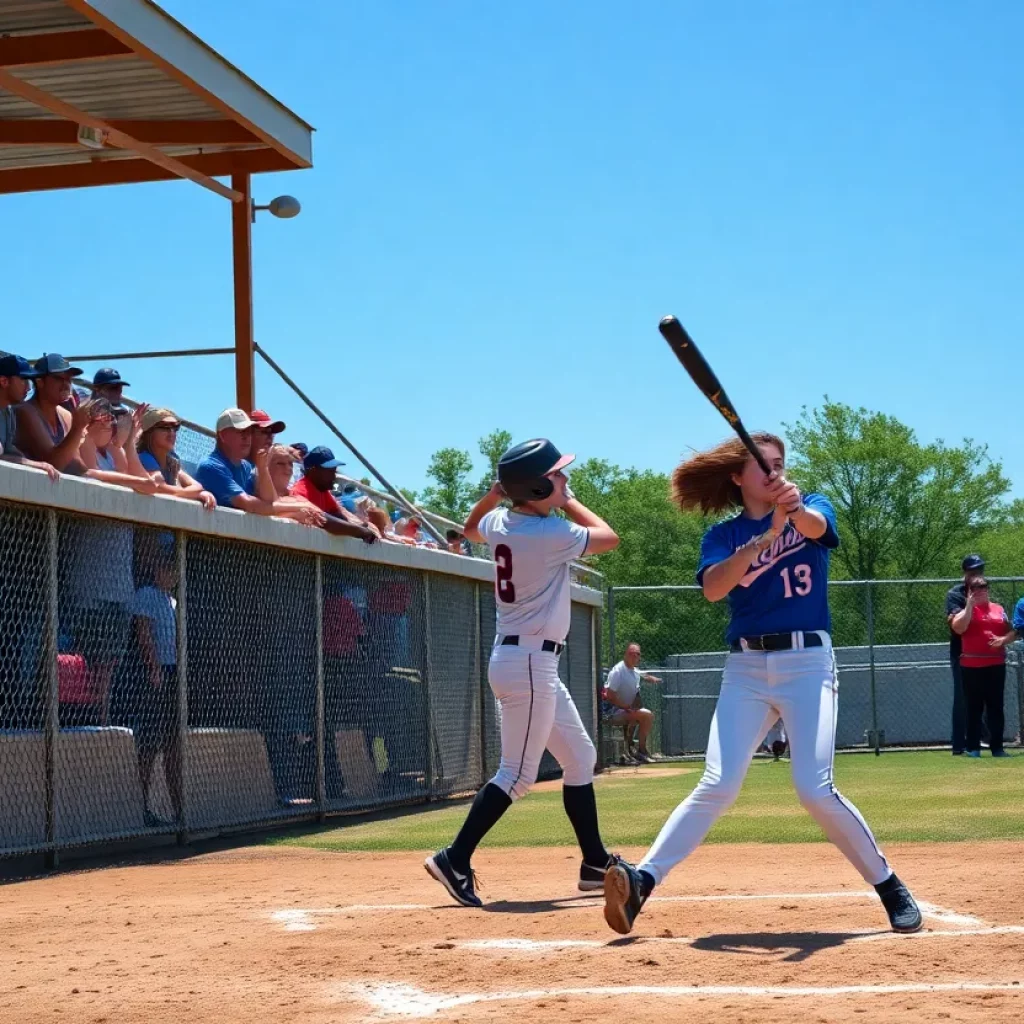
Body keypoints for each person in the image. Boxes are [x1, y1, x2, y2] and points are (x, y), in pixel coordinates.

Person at [602, 432, 922, 936]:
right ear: (737, 477)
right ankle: (642, 881)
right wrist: (766, 536)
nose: (775, 474)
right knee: (717, 783)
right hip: (747, 670)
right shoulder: (724, 536)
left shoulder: (810, 506)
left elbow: (818, 528)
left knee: (814, 790)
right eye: (763, 467)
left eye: (779, 465)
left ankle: (888, 884)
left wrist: (791, 516)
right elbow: (713, 588)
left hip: (808, 663)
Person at [424, 438, 620, 907]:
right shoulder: (547, 532)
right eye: (556, 475)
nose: (565, 479)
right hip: (530, 662)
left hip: (526, 660)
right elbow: (609, 537)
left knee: (580, 756)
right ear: (534, 485)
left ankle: (594, 863)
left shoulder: (500, 520)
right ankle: (454, 858)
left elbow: (471, 529)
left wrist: (495, 496)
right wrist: (568, 501)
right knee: (517, 775)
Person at [194, 408, 320, 525]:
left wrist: (263, 468)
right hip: (210, 543)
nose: (246, 437)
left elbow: (269, 502)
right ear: (222, 435)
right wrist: (298, 509)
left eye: (248, 432)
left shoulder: (245, 466)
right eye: (240, 431)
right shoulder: (211, 466)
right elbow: (249, 505)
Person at [131, 558, 184, 828]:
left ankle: (179, 812)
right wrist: (153, 668)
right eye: (168, 568)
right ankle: (141, 809)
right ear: (157, 569)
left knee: (173, 744)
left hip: (173, 673)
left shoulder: (172, 601)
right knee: (150, 744)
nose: (172, 574)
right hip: (155, 674)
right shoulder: (147, 595)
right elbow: (143, 633)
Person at [949, 577, 1011, 758]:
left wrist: (1003, 640)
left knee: (996, 708)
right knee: (973, 708)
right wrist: (969, 606)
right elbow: (959, 628)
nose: (981, 590)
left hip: (996, 664)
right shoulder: (963, 611)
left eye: (983, 586)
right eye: (976, 587)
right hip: (972, 666)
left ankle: (997, 748)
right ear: (969, 590)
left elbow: (1009, 630)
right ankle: (973, 748)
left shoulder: (998, 609)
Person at [946, 555, 990, 754]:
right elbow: (958, 627)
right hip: (962, 653)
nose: (976, 576)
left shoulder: (985, 591)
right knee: (962, 698)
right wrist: (970, 605)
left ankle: (980, 739)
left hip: (983, 652)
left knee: (982, 697)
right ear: (965, 573)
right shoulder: (955, 594)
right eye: (972, 572)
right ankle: (959, 745)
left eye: (979, 571)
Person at [136, 407, 216, 509]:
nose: (172, 433)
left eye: (175, 428)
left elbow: (198, 487)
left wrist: (198, 493)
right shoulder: (144, 457)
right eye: (165, 427)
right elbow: (159, 488)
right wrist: (192, 494)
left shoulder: (171, 463)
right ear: (149, 432)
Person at [0, 354, 59, 479]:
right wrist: (33, 464)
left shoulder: (8, 411)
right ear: (4, 381)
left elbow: (9, 452)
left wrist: (34, 464)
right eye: (24, 380)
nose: (28, 388)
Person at [601, 642, 662, 762]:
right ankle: (641, 751)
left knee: (640, 714)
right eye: (633, 654)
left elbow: (642, 674)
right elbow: (609, 696)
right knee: (647, 716)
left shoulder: (633, 670)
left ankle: (630, 749)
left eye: (638, 654)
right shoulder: (618, 671)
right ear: (626, 655)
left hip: (624, 710)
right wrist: (625, 706)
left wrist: (651, 679)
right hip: (611, 712)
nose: (636, 657)